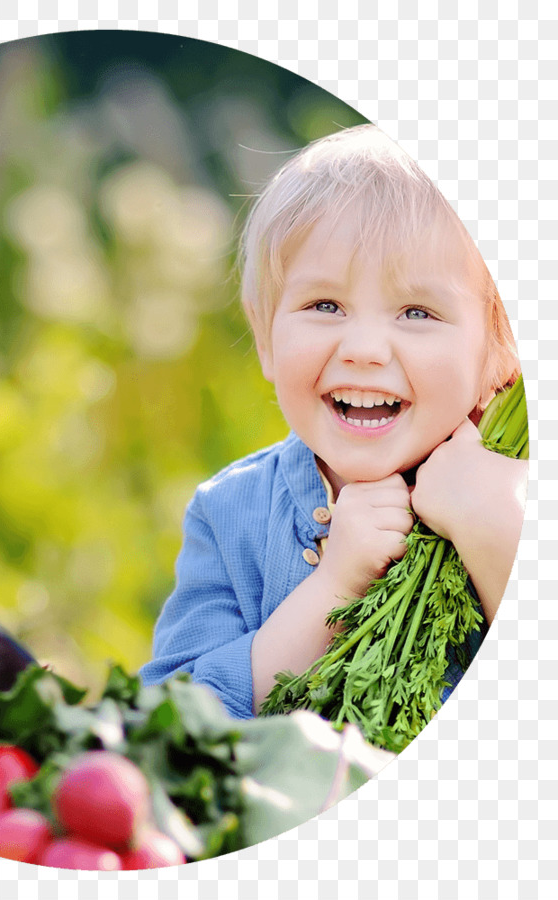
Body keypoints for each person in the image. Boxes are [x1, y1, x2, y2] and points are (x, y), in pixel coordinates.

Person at [139, 125, 527, 720]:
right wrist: (334, 586)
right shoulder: (230, 514)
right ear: (266, 334)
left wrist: (494, 530)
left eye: (417, 312)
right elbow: (173, 723)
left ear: (500, 354)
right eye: (325, 306)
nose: (365, 347)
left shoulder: (521, 497)